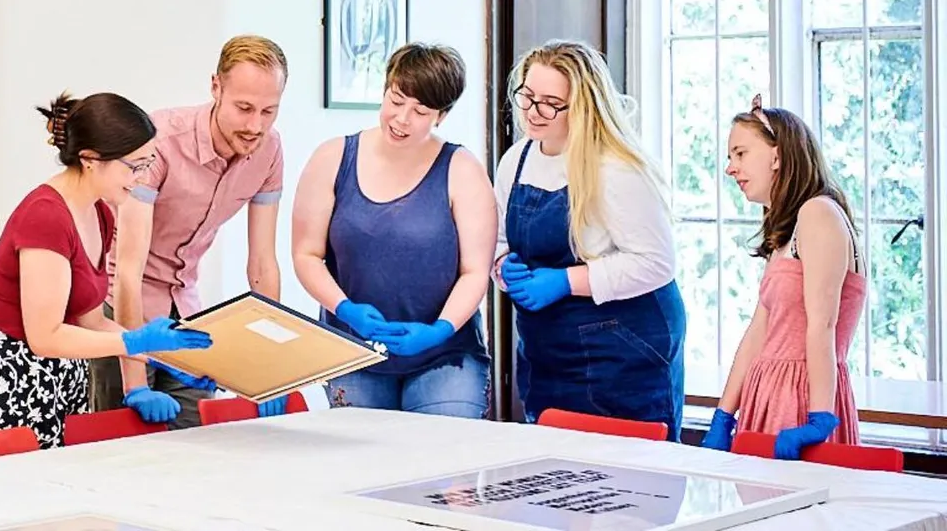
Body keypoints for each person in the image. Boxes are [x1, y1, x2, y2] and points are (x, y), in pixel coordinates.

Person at [0, 91, 215, 449]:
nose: (142, 178)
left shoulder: (98, 213)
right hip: (11, 382)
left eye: (147, 164)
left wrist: (162, 357)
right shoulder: (46, 216)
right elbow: (45, 337)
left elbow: (91, 320)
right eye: (135, 166)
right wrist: (133, 341)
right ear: (90, 160)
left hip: (60, 381)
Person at [91, 35, 291, 428]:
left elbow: (263, 266)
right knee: (124, 455)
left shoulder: (269, 152)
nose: (256, 125)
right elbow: (126, 270)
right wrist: (134, 381)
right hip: (120, 308)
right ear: (215, 87)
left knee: (198, 447)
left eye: (269, 111)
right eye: (244, 108)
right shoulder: (160, 142)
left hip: (186, 310)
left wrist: (271, 371)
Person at [493, 40, 686, 440]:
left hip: (624, 347)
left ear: (581, 106)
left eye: (550, 103)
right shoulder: (517, 160)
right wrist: (502, 265)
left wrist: (565, 281)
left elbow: (656, 262)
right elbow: (497, 239)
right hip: (549, 347)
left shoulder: (615, 168)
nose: (533, 112)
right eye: (527, 96)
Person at [291, 43, 495, 416]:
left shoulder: (462, 170)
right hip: (352, 350)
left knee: (443, 462)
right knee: (367, 467)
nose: (402, 119)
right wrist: (345, 309)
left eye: (420, 111)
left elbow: (475, 272)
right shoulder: (332, 158)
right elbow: (306, 254)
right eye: (396, 100)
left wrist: (440, 329)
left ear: (441, 115)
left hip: (446, 356)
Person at [699, 95, 864, 459]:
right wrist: (723, 415)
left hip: (802, 399)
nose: (730, 168)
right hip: (769, 396)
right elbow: (760, 331)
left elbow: (823, 324)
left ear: (776, 155)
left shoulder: (818, 213)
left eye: (740, 154)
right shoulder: (786, 231)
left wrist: (820, 418)